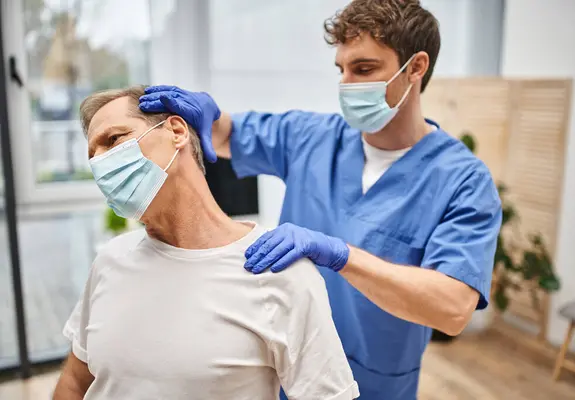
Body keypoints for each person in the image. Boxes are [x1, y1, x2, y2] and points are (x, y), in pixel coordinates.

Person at [139, 0, 502, 398]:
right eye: (341, 69)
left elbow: (452, 308)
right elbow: (227, 135)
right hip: (287, 372)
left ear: (415, 68)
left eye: (363, 69)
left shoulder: (463, 180)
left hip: (375, 384)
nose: (346, 83)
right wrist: (206, 114)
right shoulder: (311, 137)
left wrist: (341, 255)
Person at [53, 86, 359, 400]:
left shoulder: (278, 273)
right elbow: (75, 383)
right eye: (93, 155)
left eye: (113, 140)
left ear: (176, 131)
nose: (100, 164)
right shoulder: (110, 261)